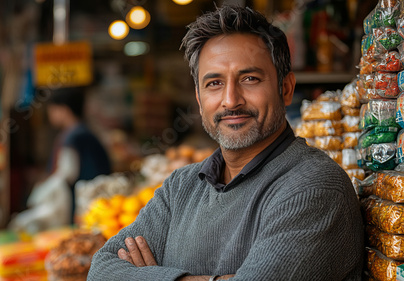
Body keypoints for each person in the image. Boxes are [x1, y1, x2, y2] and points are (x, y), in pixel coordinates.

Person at [88, 5, 364, 281]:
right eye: (214, 83)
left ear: (286, 89)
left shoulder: (313, 188)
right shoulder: (180, 187)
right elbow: (101, 271)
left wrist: (152, 276)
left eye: (250, 79)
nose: (231, 100)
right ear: (199, 99)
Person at [10, 87, 111, 232]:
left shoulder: (73, 137)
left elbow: (65, 175)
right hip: (95, 206)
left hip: (80, 208)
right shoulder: (84, 133)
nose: (50, 114)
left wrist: (40, 194)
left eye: (52, 109)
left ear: (63, 109)